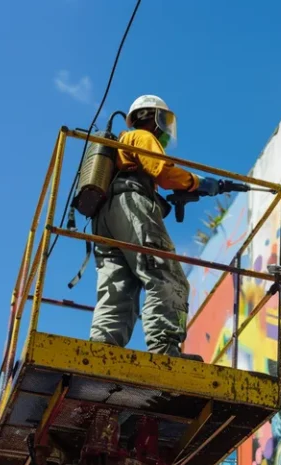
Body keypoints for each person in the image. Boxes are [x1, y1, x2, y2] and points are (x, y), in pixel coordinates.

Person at [88, 94, 219, 361]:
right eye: (165, 120)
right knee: (167, 276)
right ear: (154, 117)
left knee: (119, 285)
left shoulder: (120, 148)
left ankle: (102, 350)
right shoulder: (142, 136)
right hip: (131, 204)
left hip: (105, 217)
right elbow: (165, 172)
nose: (166, 130)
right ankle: (166, 351)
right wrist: (199, 182)